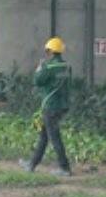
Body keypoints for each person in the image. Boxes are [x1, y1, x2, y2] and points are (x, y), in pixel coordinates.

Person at [19, 36, 73, 176]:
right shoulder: (67, 67)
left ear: (49, 51)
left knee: (54, 137)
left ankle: (64, 168)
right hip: (62, 105)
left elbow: (37, 81)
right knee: (44, 136)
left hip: (50, 106)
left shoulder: (48, 67)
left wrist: (39, 69)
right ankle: (32, 164)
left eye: (47, 51)